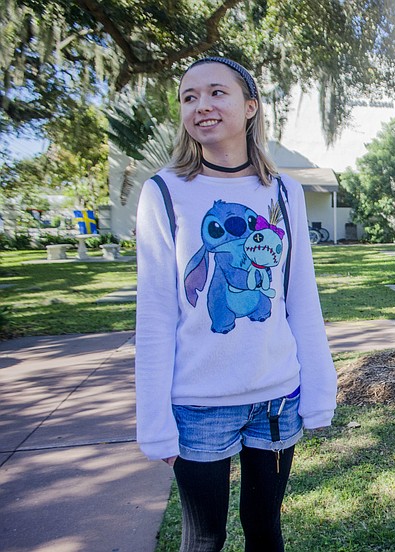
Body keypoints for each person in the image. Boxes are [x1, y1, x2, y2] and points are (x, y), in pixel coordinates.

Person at [134, 57, 337, 551]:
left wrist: (318, 389)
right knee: (203, 539)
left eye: (216, 93)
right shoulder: (163, 192)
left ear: (250, 107)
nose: (201, 105)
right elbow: (157, 318)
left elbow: (300, 298)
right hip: (199, 404)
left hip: (276, 399)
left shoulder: (284, 192)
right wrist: (154, 422)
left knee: (265, 531)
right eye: (189, 97)